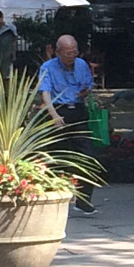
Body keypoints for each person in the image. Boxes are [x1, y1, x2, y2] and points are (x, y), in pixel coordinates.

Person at [39, 34, 98, 216]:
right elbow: (45, 93)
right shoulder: (48, 67)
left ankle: (83, 199)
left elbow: (88, 85)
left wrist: (86, 92)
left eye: (74, 52)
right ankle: (55, 197)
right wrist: (54, 115)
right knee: (57, 157)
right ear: (58, 52)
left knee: (87, 157)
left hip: (78, 111)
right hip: (58, 111)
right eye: (67, 53)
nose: (71, 56)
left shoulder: (81, 64)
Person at [0, 10, 18, 79]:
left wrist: (13, 53)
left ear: (2, 18)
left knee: (8, 74)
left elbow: (14, 40)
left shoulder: (11, 27)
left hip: (8, 53)